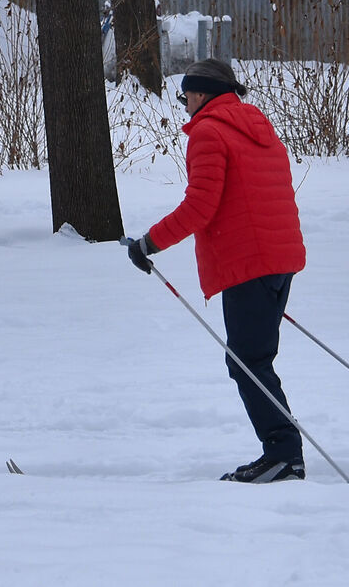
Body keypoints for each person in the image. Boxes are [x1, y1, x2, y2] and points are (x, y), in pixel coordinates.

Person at [123, 58, 309, 483]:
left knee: (247, 362)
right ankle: (282, 453)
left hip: (248, 263)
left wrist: (148, 244)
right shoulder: (257, 126)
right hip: (278, 259)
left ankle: (283, 454)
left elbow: (200, 208)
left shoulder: (208, 132)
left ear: (202, 93)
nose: (183, 103)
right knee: (253, 359)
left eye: (185, 94)